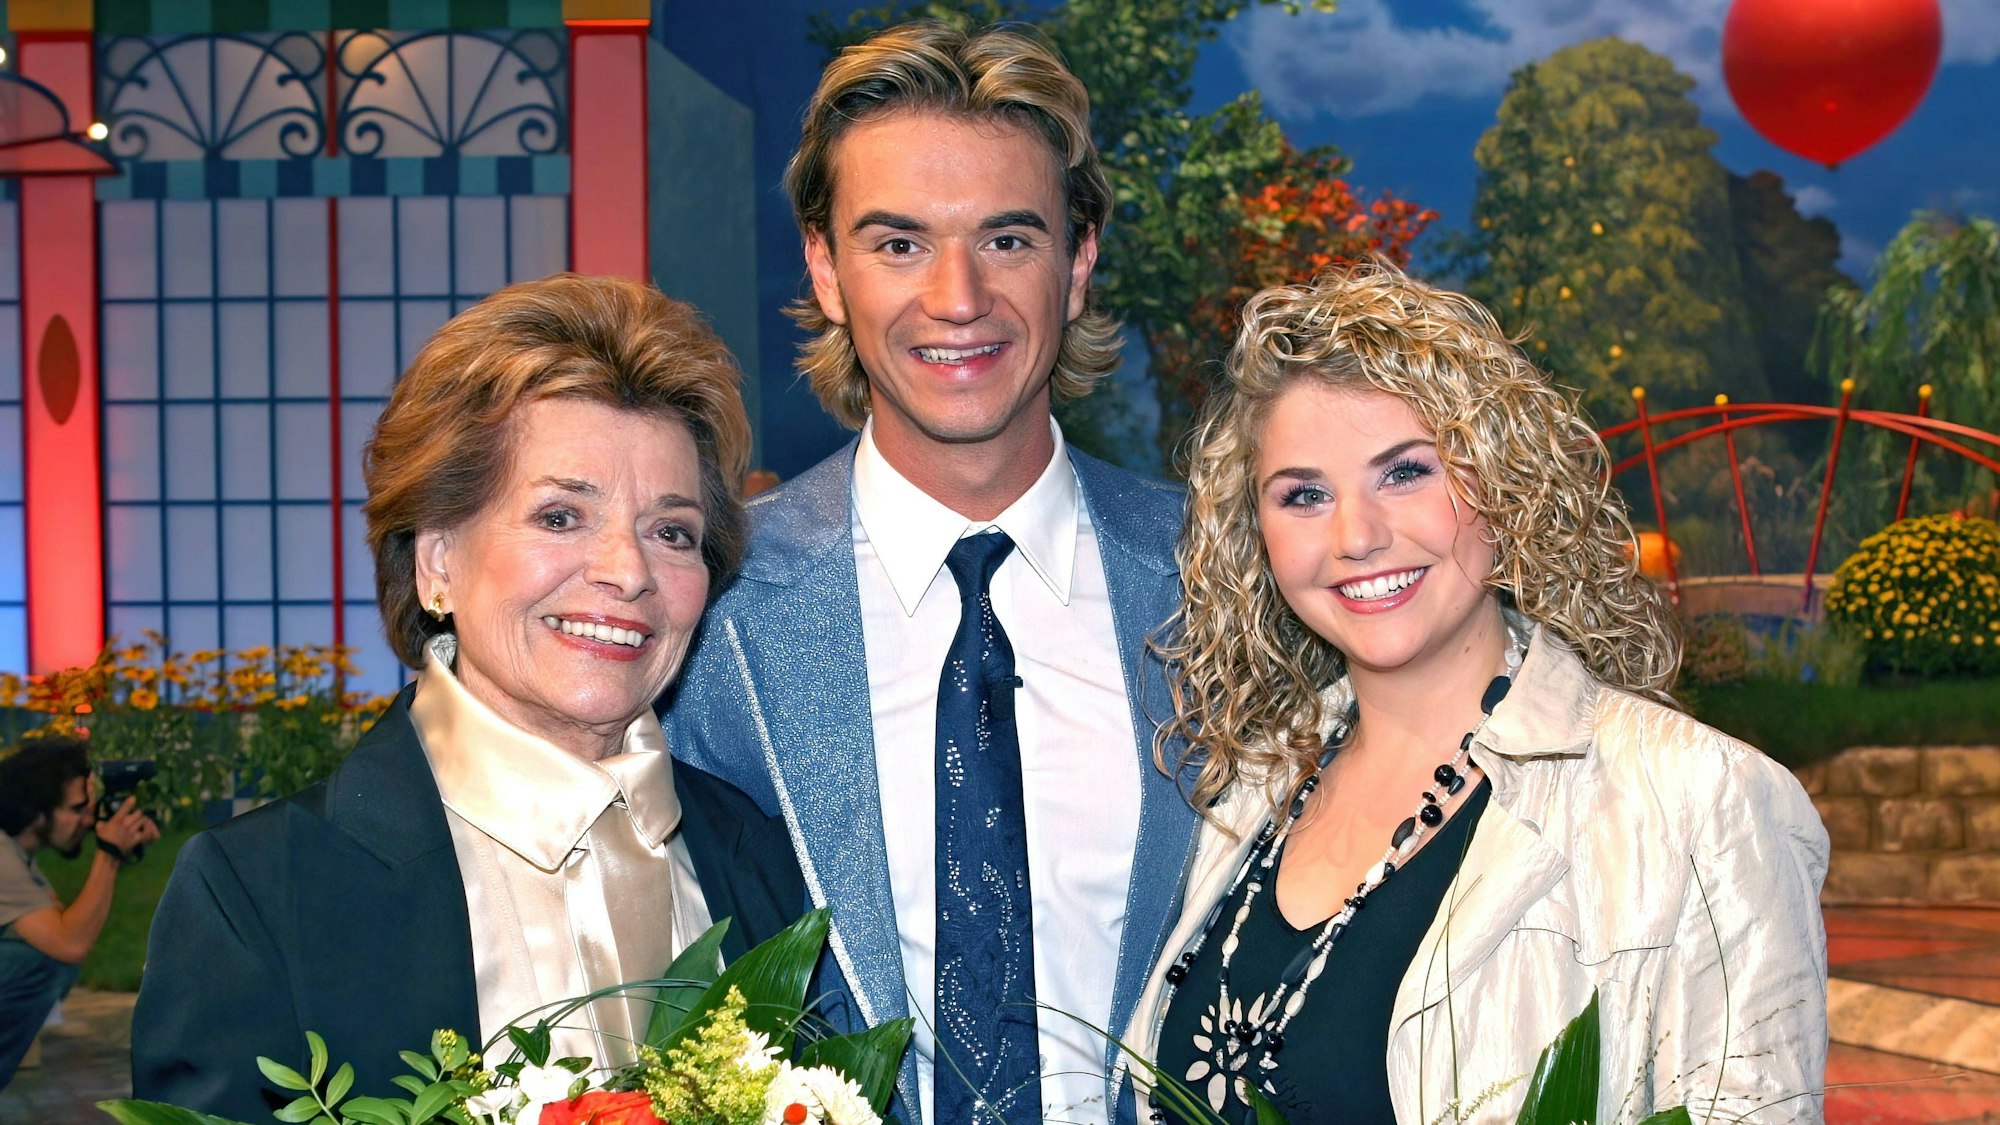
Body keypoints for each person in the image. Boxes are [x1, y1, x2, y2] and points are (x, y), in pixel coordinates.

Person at [1121, 263, 1829, 1124]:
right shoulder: (1241, 792)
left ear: (1501, 484)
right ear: (1255, 533)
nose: (1356, 535)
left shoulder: (1700, 804)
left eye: (1404, 472)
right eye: (1303, 494)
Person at [663, 21, 1198, 1125]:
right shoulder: (710, 609)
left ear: (1078, 258)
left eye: (1006, 240)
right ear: (824, 266)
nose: (957, 299)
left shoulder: (1222, 578)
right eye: (898, 244)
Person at [132, 275, 806, 1120]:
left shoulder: (769, 861)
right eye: (561, 516)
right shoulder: (260, 895)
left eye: (671, 531)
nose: (629, 573)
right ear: (437, 558)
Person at [0, 737, 159, 1088]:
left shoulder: (13, 851)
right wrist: (108, 853)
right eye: (76, 809)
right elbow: (69, 943)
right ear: (37, 812)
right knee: (38, 963)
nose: (87, 820)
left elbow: (63, 920)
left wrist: (116, 849)